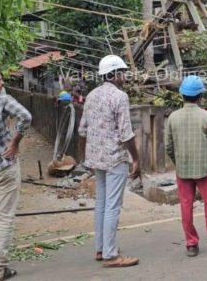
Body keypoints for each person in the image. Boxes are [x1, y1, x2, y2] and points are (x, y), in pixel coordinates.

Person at [78, 55, 140, 268]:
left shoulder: (91, 96)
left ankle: (101, 248)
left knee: (102, 204)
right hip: (114, 158)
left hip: (96, 158)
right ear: (113, 74)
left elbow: (82, 129)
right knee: (113, 206)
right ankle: (111, 255)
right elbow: (126, 133)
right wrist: (136, 159)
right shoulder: (120, 96)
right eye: (122, 72)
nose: (125, 76)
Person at [165, 76, 207, 258]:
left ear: (182, 95)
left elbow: (168, 147)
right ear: (200, 95)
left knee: (186, 207)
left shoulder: (173, 118)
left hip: (183, 169)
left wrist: (178, 161)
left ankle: (191, 244)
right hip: (205, 168)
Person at [0, 66, 32, 281]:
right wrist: (15, 142)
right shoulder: (2, 99)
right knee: (4, 218)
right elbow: (26, 117)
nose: (2, 83)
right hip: (5, 165)